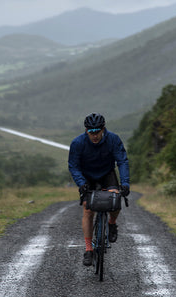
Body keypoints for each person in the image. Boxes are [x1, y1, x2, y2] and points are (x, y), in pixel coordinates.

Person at [68, 112, 130, 266]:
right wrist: (81, 183)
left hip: (107, 174)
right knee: (88, 209)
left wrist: (125, 183)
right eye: (91, 132)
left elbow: (122, 161)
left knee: (115, 200)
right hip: (87, 176)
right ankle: (89, 250)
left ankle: (112, 223)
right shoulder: (78, 143)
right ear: (86, 130)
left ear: (103, 129)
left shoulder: (113, 140)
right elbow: (74, 166)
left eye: (97, 132)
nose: (94, 136)